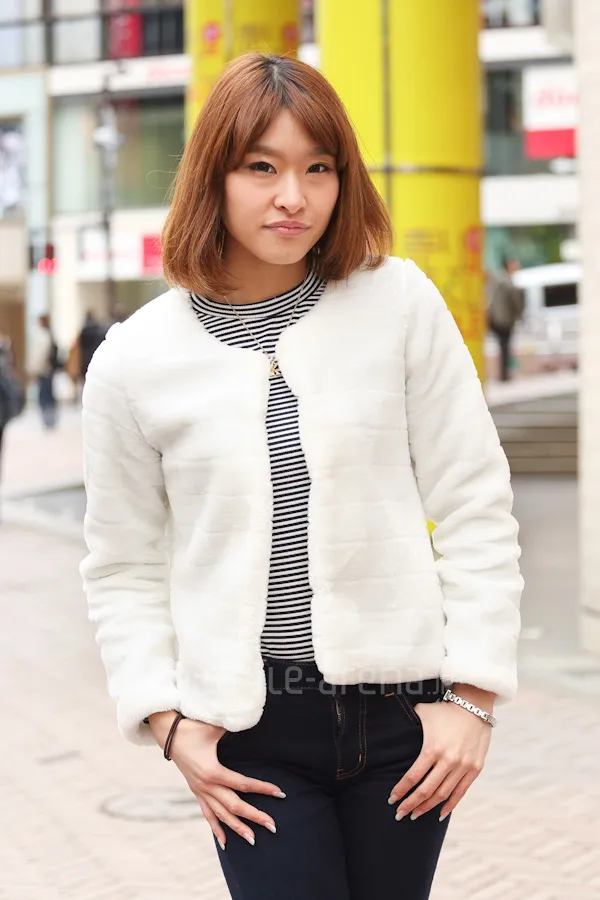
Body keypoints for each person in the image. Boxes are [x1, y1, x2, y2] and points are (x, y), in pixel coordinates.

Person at [80, 54, 524, 900]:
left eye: (319, 168)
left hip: (403, 723)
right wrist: (165, 722)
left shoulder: (398, 304)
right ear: (213, 176)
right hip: (251, 730)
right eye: (262, 167)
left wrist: (472, 697)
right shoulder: (136, 359)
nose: (294, 196)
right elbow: (121, 564)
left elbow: (475, 503)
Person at [486, 255, 525, 382]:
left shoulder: (498, 278)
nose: (518, 267)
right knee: (504, 345)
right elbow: (515, 298)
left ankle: (503, 374)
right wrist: (519, 313)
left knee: (503, 345)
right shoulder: (505, 280)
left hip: (496, 317)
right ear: (509, 265)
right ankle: (504, 375)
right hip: (502, 318)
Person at [28, 314, 59, 429]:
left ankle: (48, 419)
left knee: (45, 394)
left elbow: (40, 355)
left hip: (44, 369)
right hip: (46, 369)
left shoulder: (44, 336)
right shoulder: (48, 334)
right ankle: (49, 419)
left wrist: (34, 368)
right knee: (47, 393)